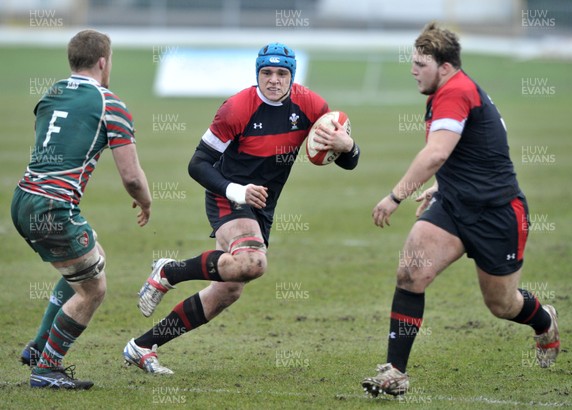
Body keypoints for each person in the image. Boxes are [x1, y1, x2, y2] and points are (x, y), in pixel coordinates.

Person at [122, 42, 360, 374]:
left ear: (292, 75)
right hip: (227, 192)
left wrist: (348, 146)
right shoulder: (236, 108)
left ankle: (142, 346)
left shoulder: (311, 106)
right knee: (252, 261)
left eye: (281, 73)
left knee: (229, 289)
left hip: (262, 206)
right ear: (257, 74)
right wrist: (238, 190)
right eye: (266, 73)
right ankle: (169, 272)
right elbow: (198, 165)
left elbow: (347, 161)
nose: (273, 80)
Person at [361, 22, 560, 397]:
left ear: (445, 66)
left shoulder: (456, 92)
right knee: (410, 273)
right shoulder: (448, 91)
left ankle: (544, 320)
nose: (413, 70)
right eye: (413, 62)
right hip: (453, 206)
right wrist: (442, 186)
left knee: (501, 303)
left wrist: (395, 196)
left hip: (497, 214)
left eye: (421, 63)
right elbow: (473, 150)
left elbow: (436, 153)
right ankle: (395, 372)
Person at [12, 29, 152, 389]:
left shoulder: (51, 93)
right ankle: (47, 368)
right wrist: (146, 200)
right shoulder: (111, 103)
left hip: (23, 198)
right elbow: (131, 177)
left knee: (91, 258)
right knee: (94, 289)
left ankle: (39, 346)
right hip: (53, 207)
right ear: (103, 61)